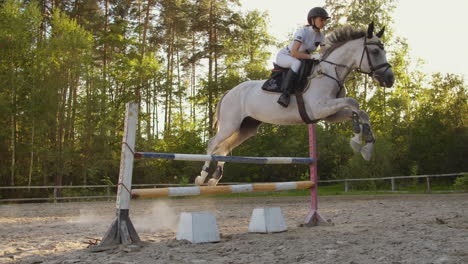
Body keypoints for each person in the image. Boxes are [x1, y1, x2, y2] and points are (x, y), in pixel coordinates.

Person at [275, 7, 330, 107]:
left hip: (302, 58)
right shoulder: (303, 31)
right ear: (312, 20)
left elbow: (323, 52)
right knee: (297, 63)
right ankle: (285, 95)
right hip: (285, 56)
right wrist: (312, 56)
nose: (323, 23)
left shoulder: (321, 36)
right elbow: (294, 53)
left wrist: (321, 56)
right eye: (321, 20)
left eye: (324, 20)